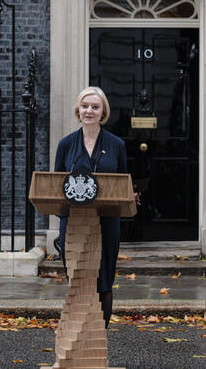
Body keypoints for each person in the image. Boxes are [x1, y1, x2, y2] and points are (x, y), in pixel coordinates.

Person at [54, 86, 127, 328]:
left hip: (106, 221)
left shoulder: (116, 145)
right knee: (77, 279)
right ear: (78, 110)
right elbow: (56, 185)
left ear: (102, 111)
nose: (89, 111)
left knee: (104, 280)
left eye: (95, 107)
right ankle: (77, 337)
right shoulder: (66, 145)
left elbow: (123, 183)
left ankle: (99, 336)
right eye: (85, 106)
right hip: (73, 221)